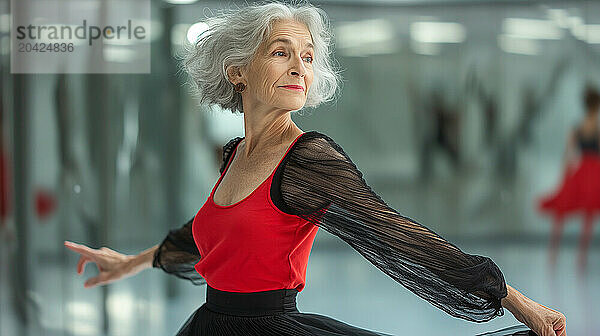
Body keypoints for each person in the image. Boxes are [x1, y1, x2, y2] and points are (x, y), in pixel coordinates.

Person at [64, 1, 567, 335]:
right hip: (209, 324)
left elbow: (398, 236)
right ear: (237, 70)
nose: (299, 68)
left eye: (306, 57)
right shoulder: (234, 153)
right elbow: (202, 238)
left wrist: (514, 301)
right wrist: (126, 262)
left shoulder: (308, 159)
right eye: (281, 52)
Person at [537, 85, 600, 274]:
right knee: (588, 215)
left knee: (562, 211)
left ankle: (554, 252)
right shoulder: (595, 128)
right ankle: (580, 257)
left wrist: (565, 178)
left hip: (582, 171)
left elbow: (568, 153)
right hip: (593, 172)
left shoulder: (578, 127)